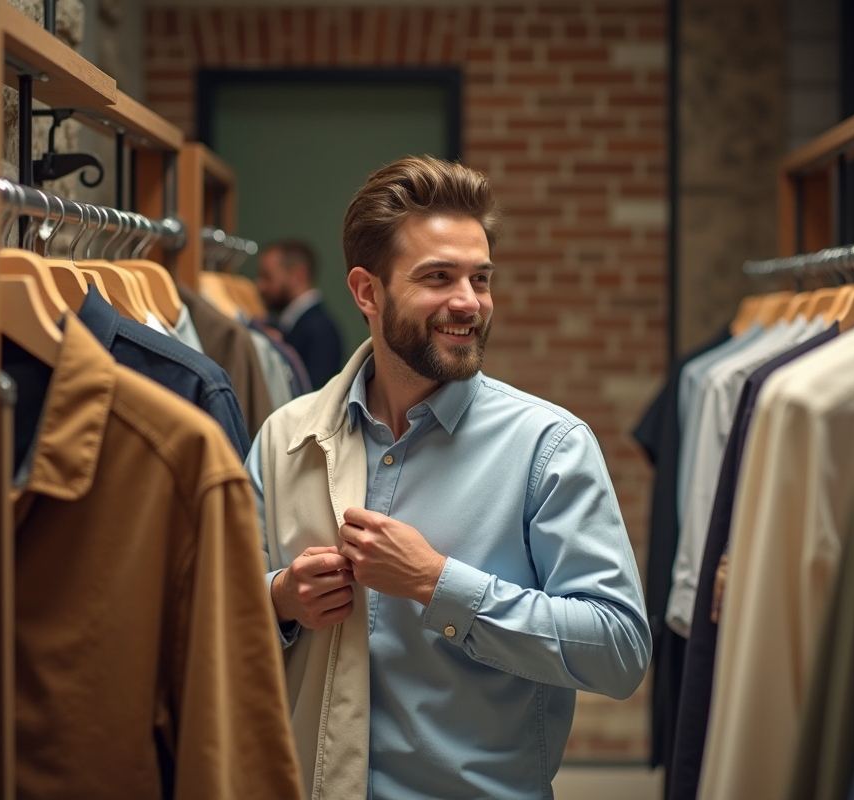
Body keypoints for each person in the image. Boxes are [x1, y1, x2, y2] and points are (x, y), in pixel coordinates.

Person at [246, 155, 651, 800]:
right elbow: (215, 624)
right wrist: (281, 601)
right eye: (439, 277)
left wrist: (438, 584)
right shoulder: (284, 440)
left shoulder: (549, 447)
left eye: (481, 279)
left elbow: (619, 650)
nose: (469, 303)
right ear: (367, 292)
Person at [256, 239, 344, 389]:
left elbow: (315, 397)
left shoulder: (320, 331)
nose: (260, 285)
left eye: (268, 277)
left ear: (298, 275)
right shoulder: (289, 324)